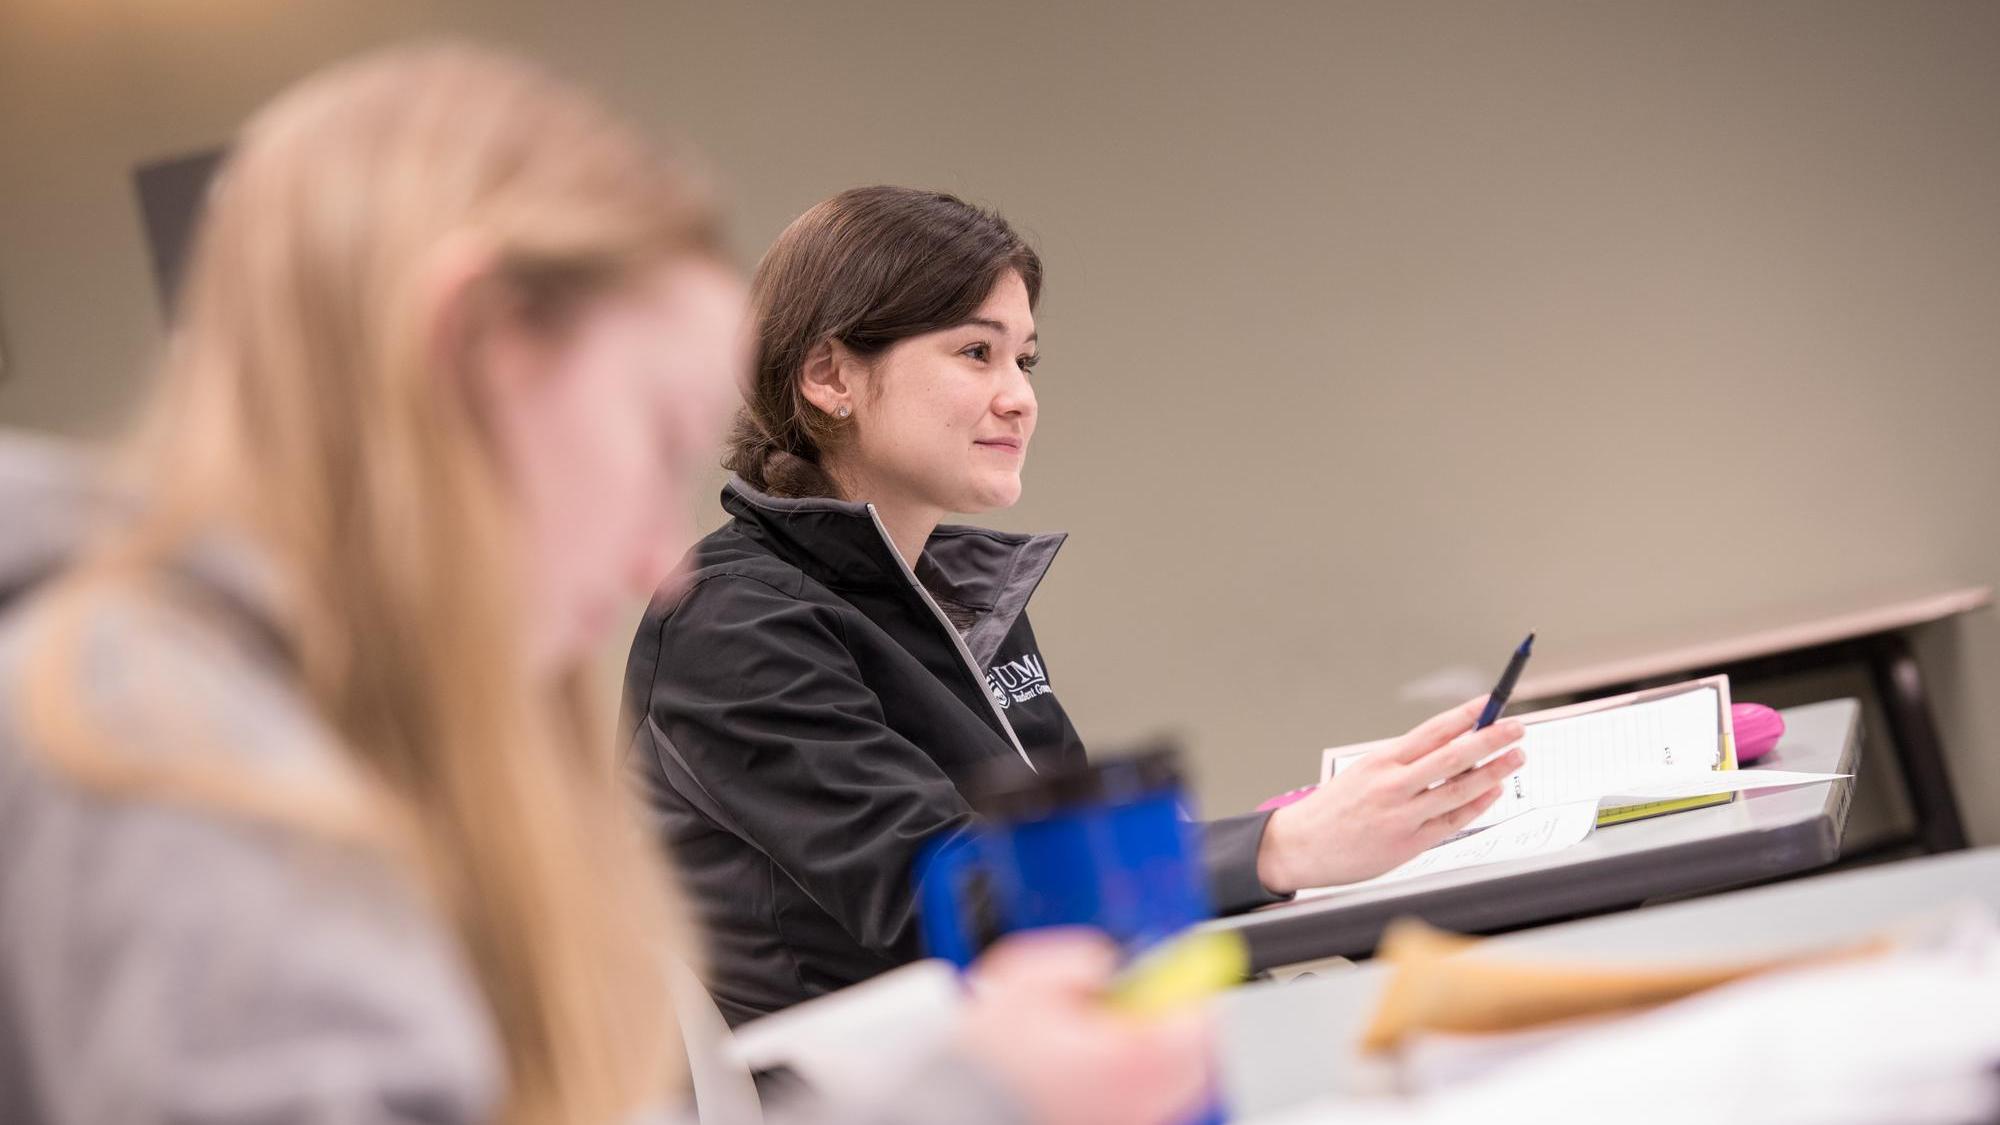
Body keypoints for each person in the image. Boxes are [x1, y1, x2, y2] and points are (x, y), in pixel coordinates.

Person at [0, 47, 1208, 1125]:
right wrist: (979, 1098)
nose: (653, 559)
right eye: (646, 436)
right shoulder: (154, 750)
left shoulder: (310, 730)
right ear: (472, 346)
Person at [623, 184, 1529, 1024]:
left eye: (1024, 358)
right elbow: (949, 894)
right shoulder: (731, 625)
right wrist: (1276, 847)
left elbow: (1069, 856)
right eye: (976, 353)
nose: (1019, 397)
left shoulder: (955, 585)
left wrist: (1298, 852)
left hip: (1067, 1049)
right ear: (830, 376)